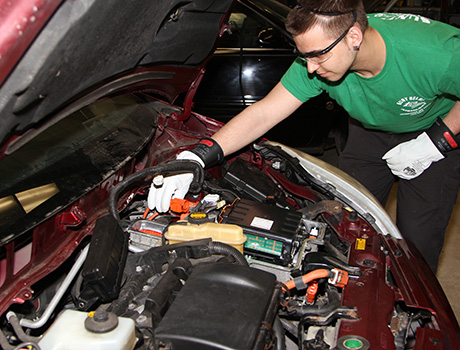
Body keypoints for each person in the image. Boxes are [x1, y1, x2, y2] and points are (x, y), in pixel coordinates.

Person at [148, 0, 460, 273]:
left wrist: (437, 141)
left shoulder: (433, 52)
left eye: (317, 56)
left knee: (417, 241)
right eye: (304, 56)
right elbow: (265, 112)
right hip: (369, 132)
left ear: (354, 37)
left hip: (433, 131)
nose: (310, 69)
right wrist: (198, 156)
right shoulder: (318, 57)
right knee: (341, 225)